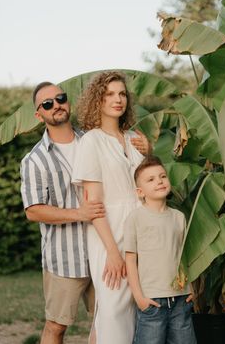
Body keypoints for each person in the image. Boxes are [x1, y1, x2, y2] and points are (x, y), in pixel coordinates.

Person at [20, 80, 149, 344]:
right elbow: (33, 211)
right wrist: (80, 213)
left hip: (104, 242)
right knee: (57, 326)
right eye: (47, 104)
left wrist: (147, 149)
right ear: (39, 114)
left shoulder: (92, 138)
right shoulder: (35, 159)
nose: (56, 105)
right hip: (67, 255)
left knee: (104, 321)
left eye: (60, 98)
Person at [72, 71, 146, 344]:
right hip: (109, 233)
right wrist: (113, 253)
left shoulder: (134, 138)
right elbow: (93, 204)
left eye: (122, 93)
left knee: (133, 311)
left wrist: (148, 153)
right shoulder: (92, 140)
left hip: (140, 231)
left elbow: (151, 184)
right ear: (97, 100)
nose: (118, 99)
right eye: (110, 94)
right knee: (114, 309)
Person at [124, 155, 197, 344]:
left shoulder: (179, 217)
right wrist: (139, 297)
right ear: (140, 192)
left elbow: (185, 257)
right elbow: (130, 260)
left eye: (162, 176)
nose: (159, 181)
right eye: (151, 179)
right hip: (152, 301)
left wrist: (193, 288)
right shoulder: (135, 218)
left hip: (181, 299)